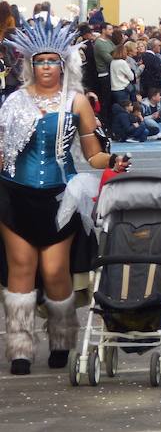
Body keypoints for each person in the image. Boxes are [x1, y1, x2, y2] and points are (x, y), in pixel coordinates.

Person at [0, 19, 129, 375]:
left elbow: (92, 155)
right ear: (29, 64)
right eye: (39, 61)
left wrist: (112, 162)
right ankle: (20, 347)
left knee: (56, 271)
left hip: (61, 196)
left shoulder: (76, 102)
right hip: (14, 194)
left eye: (52, 61)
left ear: (63, 65)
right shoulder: (13, 103)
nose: (46, 68)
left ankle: (61, 338)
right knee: (21, 269)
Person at [93, 22, 115, 125]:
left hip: (112, 72)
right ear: (103, 30)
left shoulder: (109, 42)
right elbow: (109, 58)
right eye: (109, 29)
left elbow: (116, 52)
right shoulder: (99, 43)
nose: (112, 31)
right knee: (106, 100)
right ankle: (105, 123)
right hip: (104, 74)